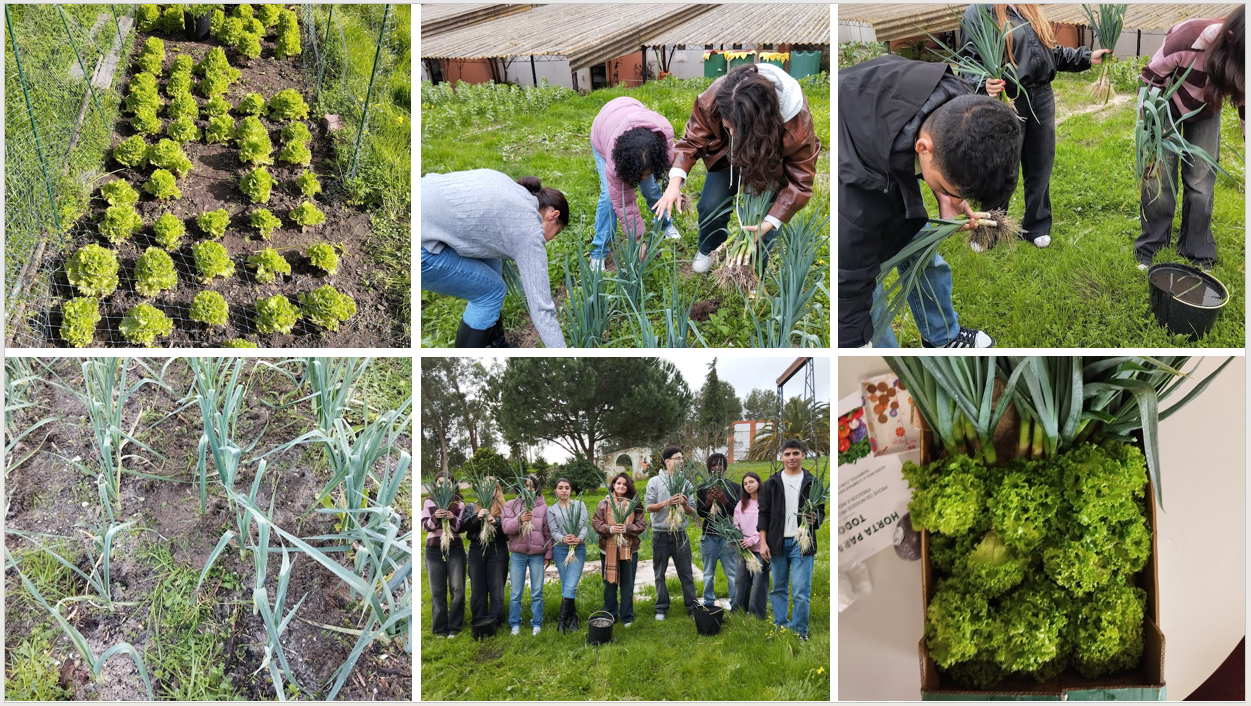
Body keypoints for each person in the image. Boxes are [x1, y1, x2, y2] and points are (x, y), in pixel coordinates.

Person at [838, 54, 1022, 348]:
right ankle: (887, 360)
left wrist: (949, 196)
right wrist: (855, 348)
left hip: (882, 118)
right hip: (857, 146)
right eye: (951, 189)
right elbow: (846, 284)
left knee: (920, 244)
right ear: (923, 148)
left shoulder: (962, 107)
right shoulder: (856, 194)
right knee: (865, 289)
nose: (955, 198)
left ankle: (942, 336)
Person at [653, 63, 821, 278]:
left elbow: (801, 179)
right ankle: (709, 250)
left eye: (735, 129)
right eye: (727, 126)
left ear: (761, 125)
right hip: (727, 157)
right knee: (710, 205)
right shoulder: (718, 97)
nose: (730, 132)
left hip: (768, 161)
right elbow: (693, 139)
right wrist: (675, 181)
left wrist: (772, 221)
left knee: (760, 223)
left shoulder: (795, 122)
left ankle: (753, 274)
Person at [962, 4, 1107, 250]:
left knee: (1041, 162)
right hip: (1008, 99)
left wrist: (1085, 57)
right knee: (1002, 167)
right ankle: (990, 228)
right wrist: (981, 83)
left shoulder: (1027, 8)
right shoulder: (979, 12)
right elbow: (967, 62)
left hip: (1041, 96)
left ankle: (1036, 225)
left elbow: (1050, 52)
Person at [1136, 5, 1245, 272]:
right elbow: (1150, 77)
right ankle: (1152, 244)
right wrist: (1150, 122)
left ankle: (1196, 249)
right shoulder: (1187, 39)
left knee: (1201, 181)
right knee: (1158, 177)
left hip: (1207, 109)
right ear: (1231, 38)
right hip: (1165, 105)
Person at [420, 169, 570, 348]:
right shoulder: (529, 232)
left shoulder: (513, 189)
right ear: (554, 216)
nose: (551, 238)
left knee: (493, 266)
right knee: (491, 292)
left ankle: (495, 343)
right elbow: (542, 309)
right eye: (557, 232)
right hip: (419, 246)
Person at [589, 97, 680, 271]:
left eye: (648, 173)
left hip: (630, 111)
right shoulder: (616, 162)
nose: (644, 178)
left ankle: (666, 224)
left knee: (651, 188)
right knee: (609, 198)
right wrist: (637, 239)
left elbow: (673, 164)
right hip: (604, 131)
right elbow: (625, 204)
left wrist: (674, 182)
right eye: (640, 175)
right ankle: (598, 251)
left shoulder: (663, 136)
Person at [758, 440, 825, 641]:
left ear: (803, 455)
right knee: (778, 587)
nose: (791, 457)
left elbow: (820, 511)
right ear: (782, 457)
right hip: (777, 542)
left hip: (802, 543)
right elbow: (764, 513)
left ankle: (799, 631)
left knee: (801, 590)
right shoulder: (771, 483)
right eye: (787, 454)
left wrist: (816, 519)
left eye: (796, 453)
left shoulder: (813, 482)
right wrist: (763, 542)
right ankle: (780, 625)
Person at [643, 446, 700, 621]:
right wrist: (666, 503)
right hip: (660, 533)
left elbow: (692, 511)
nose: (681, 461)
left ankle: (692, 606)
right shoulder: (654, 481)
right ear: (667, 461)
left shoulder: (686, 483)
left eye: (682, 458)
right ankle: (661, 607)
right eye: (677, 458)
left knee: (686, 572)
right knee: (659, 574)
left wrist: (684, 505)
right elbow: (649, 507)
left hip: (680, 533)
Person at [592, 472, 648, 627]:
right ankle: (610, 615)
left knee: (627, 585)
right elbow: (596, 523)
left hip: (629, 550)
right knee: (610, 585)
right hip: (607, 550)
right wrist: (610, 529)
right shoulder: (604, 504)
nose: (621, 486)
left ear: (628, 486)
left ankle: (627, 617)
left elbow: (641, 524)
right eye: (618, 483)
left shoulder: (634, 504)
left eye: (624, 484)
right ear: (613, 485)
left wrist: (626, 528)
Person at [502, 474, 553, 635]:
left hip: (537, 554)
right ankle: (515, 623)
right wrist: (520, 519)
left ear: (536, 488)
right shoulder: (511, 505)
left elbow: (547, 532)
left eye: (531, 486)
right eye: (525, 486)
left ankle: (537, 623)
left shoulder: (543, 507)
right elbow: (505, 529)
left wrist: (548, 554)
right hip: (518, 554)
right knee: (516, 591)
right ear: (519, 488)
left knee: (537, 591)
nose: (528, 489)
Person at [458, 476, 509, 632]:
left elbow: (508, 531)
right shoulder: (472, 506)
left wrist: (496, 523)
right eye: (485, 487)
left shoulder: (504, 508)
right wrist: (476, 517)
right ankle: (479, 621)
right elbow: (463, 525)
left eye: (492, 487)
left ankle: (495, 621)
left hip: (497, 550)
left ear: (497, 490)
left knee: (496, 588)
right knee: (477, 588)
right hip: (476, 550)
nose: (488, 490)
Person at [421, 471, 465, 639]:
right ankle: (440, 628)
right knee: (437, 590)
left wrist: (452, 518)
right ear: (435, 485)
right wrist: (435, 517)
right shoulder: (428, 501)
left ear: (453, 485)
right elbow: (425, 526)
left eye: (447, 483)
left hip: (455, 548)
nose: (443, 486)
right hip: (434, 549)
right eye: (440, 483)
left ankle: (454, 626)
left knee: (457, 588)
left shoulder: (459, 504)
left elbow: (461, 528)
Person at [696, 453, 739, 610]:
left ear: (725, 468)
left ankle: (735, 602)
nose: (717, 468)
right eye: (713, 465)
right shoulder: (702, 488)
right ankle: (708, 602)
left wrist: (723, 500)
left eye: (720, 465)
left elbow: (736, 511)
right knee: (708, 572)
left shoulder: (733, 487)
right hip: (708, 536)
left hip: (727, 536)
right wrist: (708, 501)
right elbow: (701, 513)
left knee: (731, 572)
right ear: (709, 468)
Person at [547, 478, 589, 633]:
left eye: (567, 487)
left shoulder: (580, 505)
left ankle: (561, 623)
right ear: (555, 490)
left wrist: (580, 538)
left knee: (570, 585)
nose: (564, 490)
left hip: (578, 549)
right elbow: (553, 531)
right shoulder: (551, 509)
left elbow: (585, 525)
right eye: (560, 488)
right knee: (566, 586)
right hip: (561, 550)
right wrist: (563, 539)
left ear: (570, 490)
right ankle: (573, 618)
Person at [733, 471, 769, 619]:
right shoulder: (741, 504)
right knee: (741, 580)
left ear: (759, 482)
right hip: (744, 549)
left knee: (759, 582)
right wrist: (738, 540)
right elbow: (736, 524)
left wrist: (751, 541)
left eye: (751, 482)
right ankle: (739, 611)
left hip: (760, 548)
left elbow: (765, 524)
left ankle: (756, 615)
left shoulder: (765, 502)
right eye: (745, 483)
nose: (748, 485)